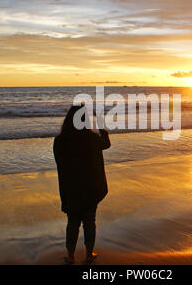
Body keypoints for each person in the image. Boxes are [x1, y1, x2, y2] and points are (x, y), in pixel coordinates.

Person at [53, 104, 111, 264]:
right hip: (90, 188)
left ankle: (71, 256)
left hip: (70, 188)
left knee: (72, 223)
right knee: (89, 222)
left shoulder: (60, 141)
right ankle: (88, 254)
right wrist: (101, 126)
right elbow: (106, 144)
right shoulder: (91, 139)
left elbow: (59, 161)